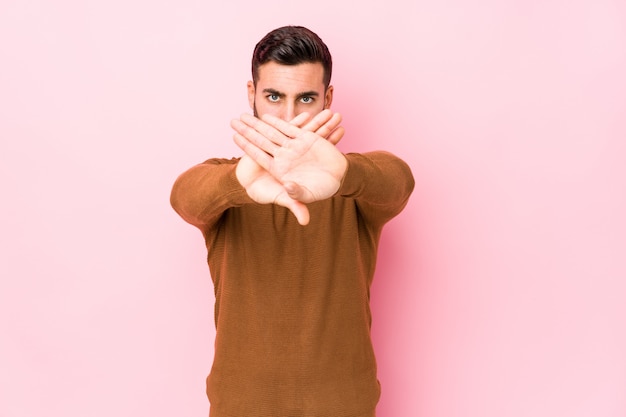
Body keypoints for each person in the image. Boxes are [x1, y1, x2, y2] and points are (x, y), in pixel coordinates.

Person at [170, 25, 415, 417]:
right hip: (241, 407)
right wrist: (238, 183)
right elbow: (184, 196)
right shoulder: (226, 183)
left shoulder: (351, 185)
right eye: (273, 97)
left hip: (343, 406)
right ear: (252, 95)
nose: (288, 117)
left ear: (327, 99)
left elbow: (399, 181)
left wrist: (345, 176)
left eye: (305, 99)